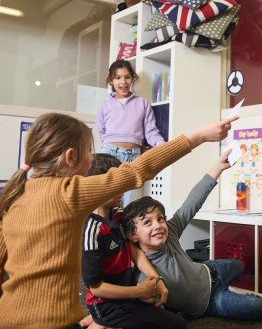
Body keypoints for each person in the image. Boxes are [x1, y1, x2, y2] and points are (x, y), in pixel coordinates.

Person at [0, 112, 235, 328]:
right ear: (70, 157)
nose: (90, 160)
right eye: (88, 152)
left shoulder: (15, 194)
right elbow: (138, 171)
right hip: (49, 322)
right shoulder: (69, 193)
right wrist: (198, 136)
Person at [121, 150, 262, 321]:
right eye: (148, 223)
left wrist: (217, 168)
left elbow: (191, 203)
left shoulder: (170, 233)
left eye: (160, 219)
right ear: (132, 235)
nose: (158, 226)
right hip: (210, 303)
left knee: (240, 264)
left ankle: (231, 274)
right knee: (256, 306)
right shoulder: (143, 273)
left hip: (210, 271)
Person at [81, 154, 185, 329]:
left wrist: (156, 279)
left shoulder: (118, 214)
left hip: (128, 298)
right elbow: (96, 288)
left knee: (175, 317)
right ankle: (98, 321)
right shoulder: (92, 230)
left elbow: (134, 251)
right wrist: (138, 291)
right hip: (107, 306)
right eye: (116, 182)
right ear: (98, 187)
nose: (123, 187)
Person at [97, 59, 165, 205]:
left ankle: (127, 228)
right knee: (107, 201)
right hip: (109, 154)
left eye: (127, 77)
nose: (123, 82)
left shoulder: (142, 103)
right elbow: (102, 132)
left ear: (133, 79)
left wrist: (162, 145)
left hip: (133, 157)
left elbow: (151, 131)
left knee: (131, 203)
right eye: (118, 77)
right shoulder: (104, 106)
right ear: (111, 81)